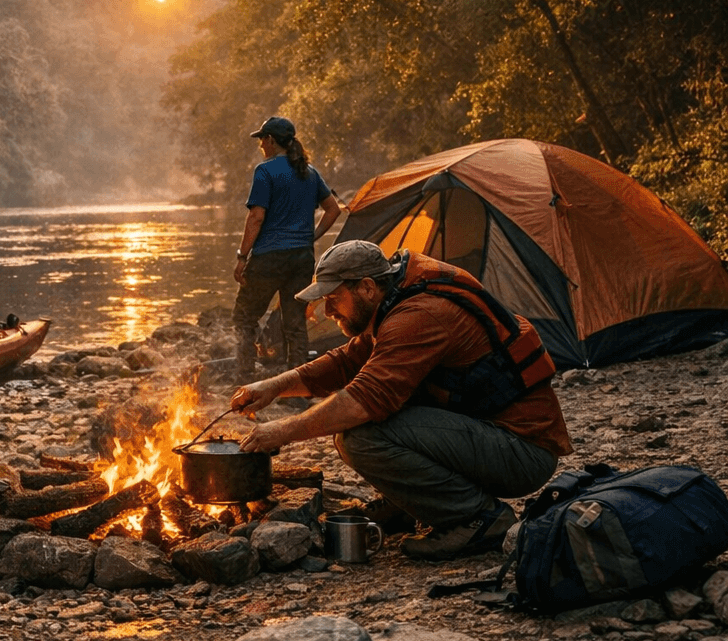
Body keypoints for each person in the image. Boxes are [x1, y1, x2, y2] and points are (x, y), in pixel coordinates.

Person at [230, 240, 574, 560]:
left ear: (366, 287)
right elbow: (347, 363)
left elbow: (362, 401)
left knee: (360, 437)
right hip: (488, 434)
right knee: (374, 420)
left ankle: (479, 519)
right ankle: (415, 505)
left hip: (521, 451)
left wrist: (280, 432)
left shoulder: (419, 316)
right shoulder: (395, 297)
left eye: (333, 298)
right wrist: (274, 386)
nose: (327, 311)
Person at [230, 116, 341, 377]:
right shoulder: (310, 173)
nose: (260, 145)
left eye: (261, 140)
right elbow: (333, 209)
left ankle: (245, 378)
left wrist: (242, 256)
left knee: (244, 317)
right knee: (295, 323)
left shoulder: (265, 171)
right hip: (301, 258)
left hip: (269, 258)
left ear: (270, 140)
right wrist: (311, 237)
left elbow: (256, 217)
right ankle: (297, 386)